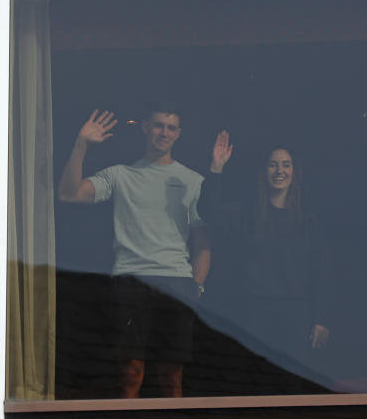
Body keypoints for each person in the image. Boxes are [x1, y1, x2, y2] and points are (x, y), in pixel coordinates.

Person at [58, 105, 210, 398]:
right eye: (158, 125)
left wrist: (197, 285)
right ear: (145, 127)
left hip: (176, 280)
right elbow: (68, 194)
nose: (163, 133)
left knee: (172, 374)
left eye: (170, 127)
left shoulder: (193, 180)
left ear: (178, 134)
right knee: (130, 371)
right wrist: (81, 145)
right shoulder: (120, 174)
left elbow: (202, 241)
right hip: (130, 278)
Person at [199, 130, 328, 391]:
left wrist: (322, 318)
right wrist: (216, 167)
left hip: (294, 314)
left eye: (286, 165)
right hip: (253, 313)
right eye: (273, 164)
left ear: (294, 172)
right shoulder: (247, 214)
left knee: (291, 384)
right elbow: (209, 211)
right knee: (255, 382)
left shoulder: (308, 221)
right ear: (264, 171)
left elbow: (322, 272)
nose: (279, 171)